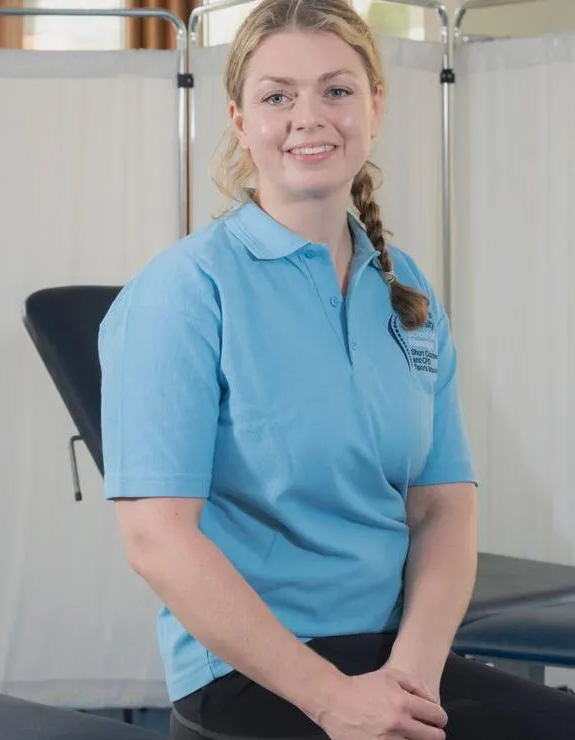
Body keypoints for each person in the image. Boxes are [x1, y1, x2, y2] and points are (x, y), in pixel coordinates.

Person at [97, 0, 575, 738]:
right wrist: (332, 699)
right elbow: (157, 540)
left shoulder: (404, 288)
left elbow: (444, 506)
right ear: (238, 118)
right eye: (278, 95)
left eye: (337, 90)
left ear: (375, 108)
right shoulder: (184, 292)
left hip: (394, 657)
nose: (309, 116)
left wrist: (409, 677)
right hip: (252, 673)